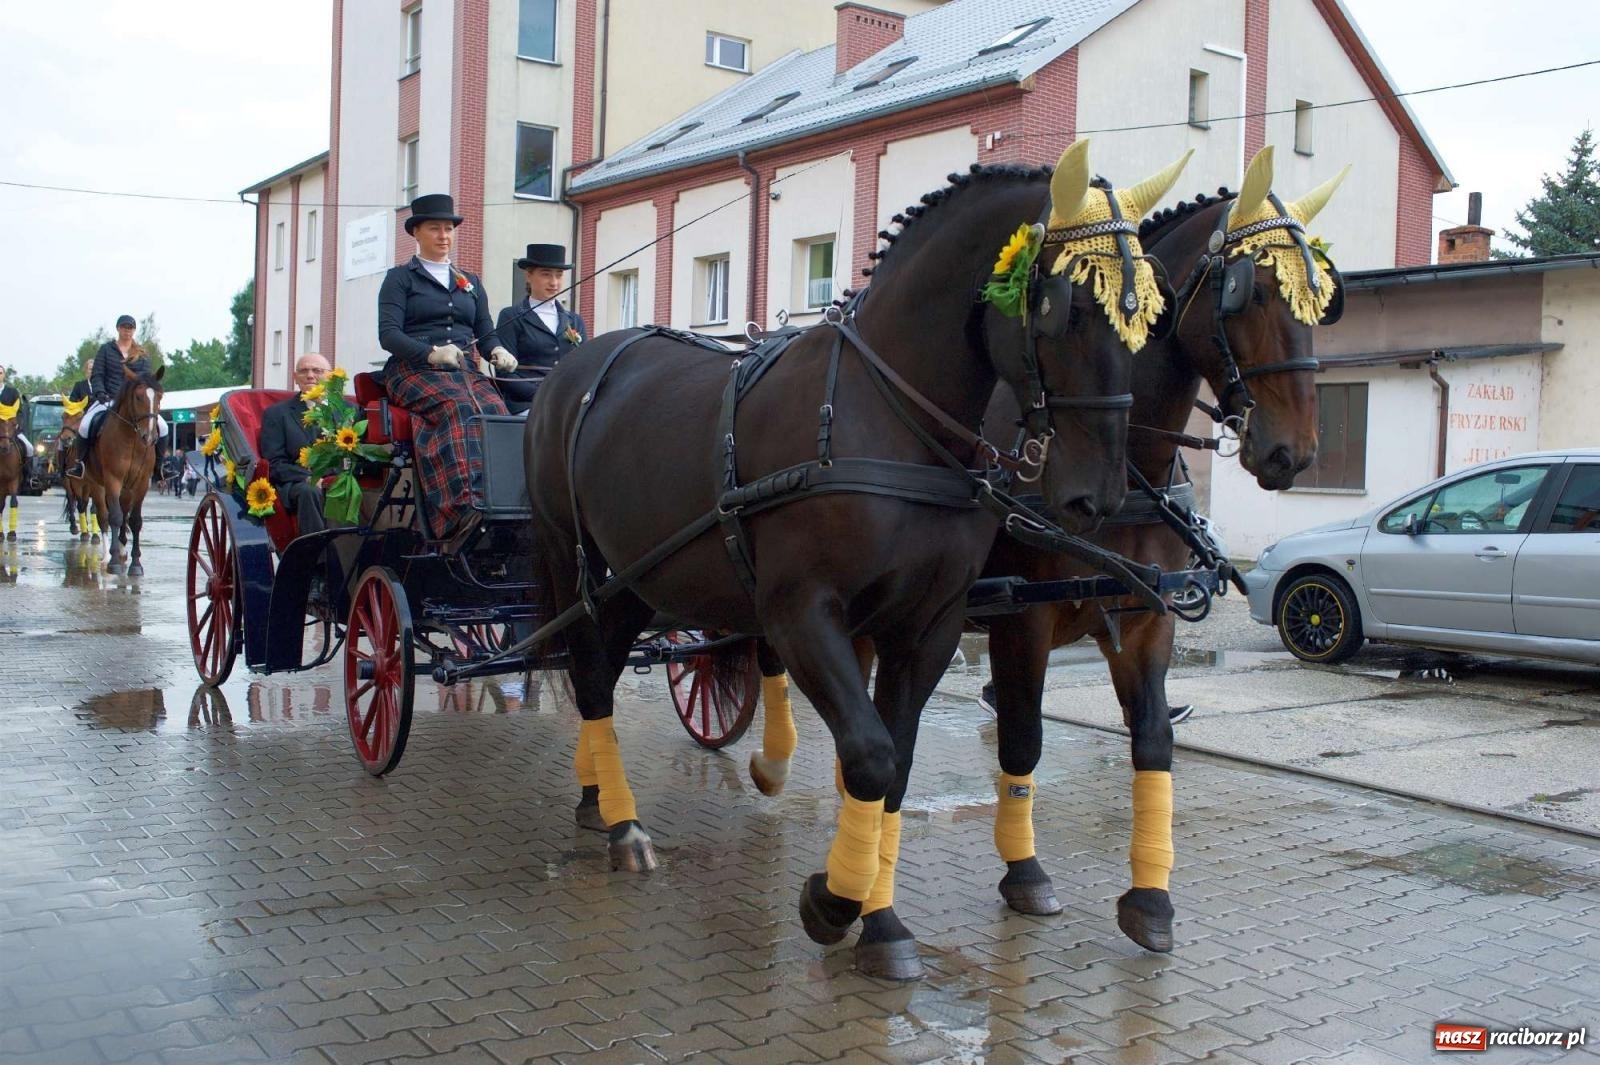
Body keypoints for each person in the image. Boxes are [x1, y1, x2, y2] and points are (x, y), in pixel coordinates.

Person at [378, 193, 514, 540]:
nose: (444, 235)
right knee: (460, 406)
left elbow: (486, 333)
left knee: (496, 409)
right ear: (417, 233)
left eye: (449, 228)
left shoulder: (471, 282)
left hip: (463, 370)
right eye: (435, 228)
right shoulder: (400, 279)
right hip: (413, 369)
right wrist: (429, 353)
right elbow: (389, 335)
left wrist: (498, 350)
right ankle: (462, 506)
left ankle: (505, 499)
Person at [66, 314, 166, 477]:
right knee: (85, 425)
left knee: (163, 426)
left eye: (130, 328)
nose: (127, 331)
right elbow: (97, 374)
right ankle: (81, 464)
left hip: (135, 402)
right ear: (118, 329)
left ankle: (161, 467)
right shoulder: (106, 350)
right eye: (124, 327)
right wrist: (99, 392)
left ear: (134, 330)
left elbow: (146, 379)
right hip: (109, 397)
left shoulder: (141, 354)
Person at [495, 243, 587, 395]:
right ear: (528, 275)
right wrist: (542, 397)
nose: (554, 282)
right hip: (526, 403)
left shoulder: (575, 321)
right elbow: (505, 374)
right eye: (546, 274)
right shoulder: (511, 317)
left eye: (559, 275)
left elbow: (585, 368)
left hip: (567, 403)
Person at [259, 353, 332, 534]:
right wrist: (307, 477)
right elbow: (275, 464)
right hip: (298, 483)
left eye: (317, 370)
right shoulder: (276, 414)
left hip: (339, 478)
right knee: (310, 492)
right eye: (304, 371)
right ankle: (316, 558)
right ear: (295, 377)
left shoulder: (348, 411)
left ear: (330, 376)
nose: (310, 375)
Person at [0, 366, 35, 485]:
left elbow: (19, 411)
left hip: (10, 429)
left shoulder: (12, 392)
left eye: (0, 373)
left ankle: (29, 474)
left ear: (4, 375)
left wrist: (17, 424)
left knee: (29, 448)